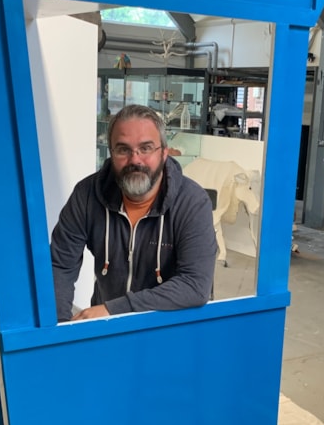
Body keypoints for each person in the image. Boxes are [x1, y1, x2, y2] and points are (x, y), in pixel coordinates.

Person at [50, 104, 217, 322]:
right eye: (123, 149)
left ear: (164, 153)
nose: (135, 160)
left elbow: (194, 285)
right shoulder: (87, 196)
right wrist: (57, 332)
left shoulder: (192, 203)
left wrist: (115, 309)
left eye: (146, 148)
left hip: (169, 328)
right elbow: (60, 266)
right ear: (111, 153)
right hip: (109, 328)